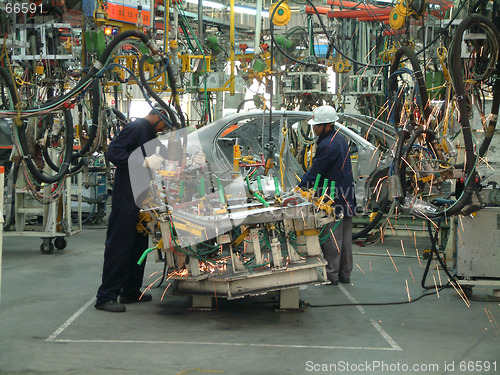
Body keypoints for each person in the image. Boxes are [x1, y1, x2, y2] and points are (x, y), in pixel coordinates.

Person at [95, 105, 171, 312]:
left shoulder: (151, 133)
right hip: (126, 197)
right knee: (120, 247)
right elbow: (114, 152)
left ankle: (130, 291)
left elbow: (165, 155)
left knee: (138, 246)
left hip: (142, 198)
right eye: (164, 123)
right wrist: (144, 161)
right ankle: (105, 296)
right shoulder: (136, 128)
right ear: (156, 116)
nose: (164, 128)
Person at [298, 105, 356, 285]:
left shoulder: (327, 145)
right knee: (345, 239)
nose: (313, 129)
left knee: (332, 238)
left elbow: (316, 171)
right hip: (346, 194)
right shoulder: (339, 139)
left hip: (333, 197)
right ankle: (345, 274)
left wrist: (299, 189)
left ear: (328, 125)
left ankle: (331, 275)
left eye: (316, 126)